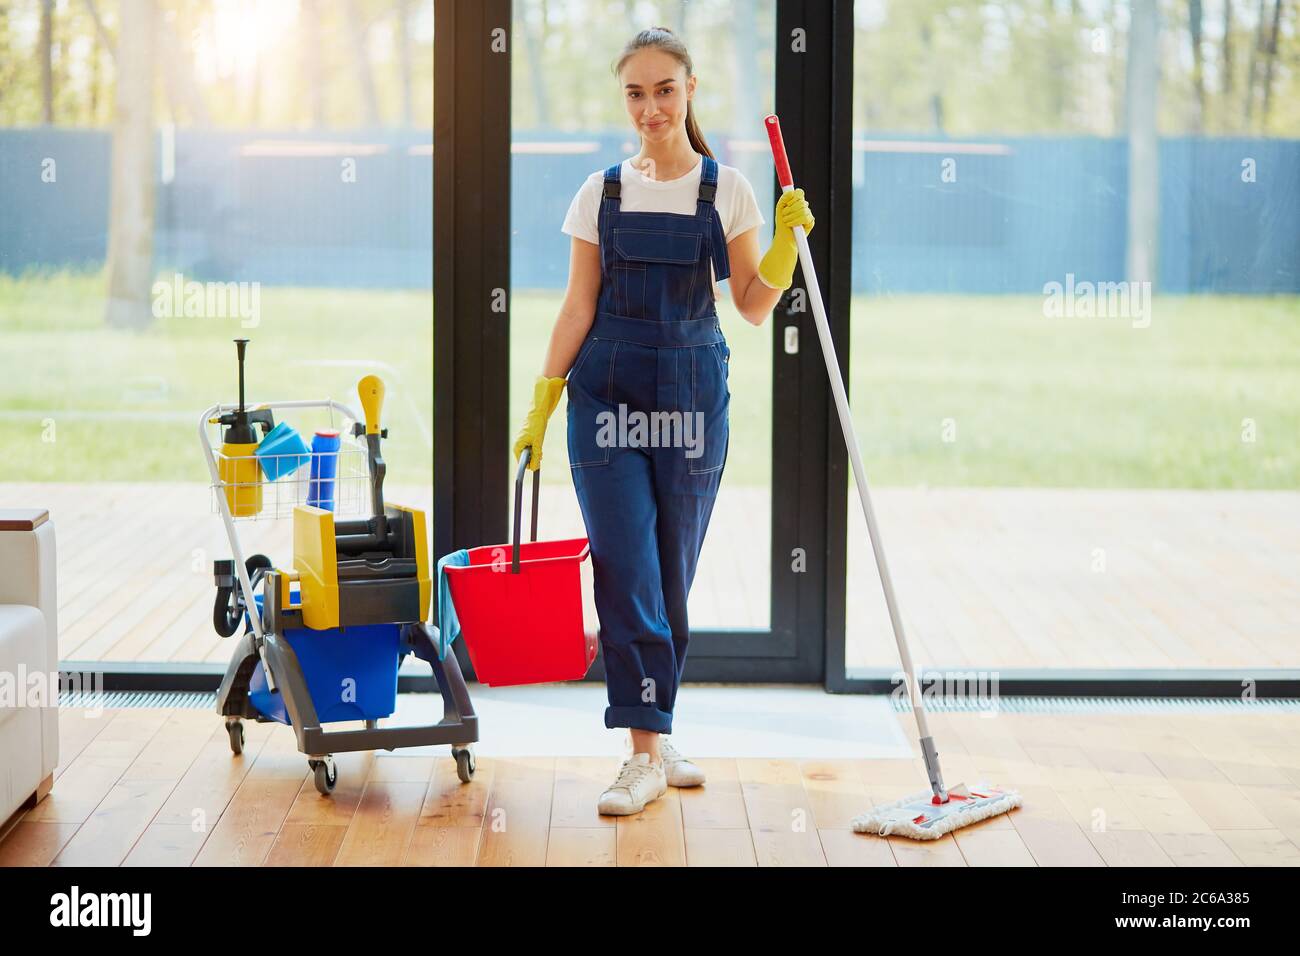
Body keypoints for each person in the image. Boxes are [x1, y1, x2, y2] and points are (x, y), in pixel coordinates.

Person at [512, 26, 814, 815]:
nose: (650, 108)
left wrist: (784, 246)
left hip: (691, 401)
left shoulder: (728, 190)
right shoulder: (601, 192)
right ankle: (641, 757)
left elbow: (750, 308)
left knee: (670, 570)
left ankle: (657, 722)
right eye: (636, 93)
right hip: (604, 396)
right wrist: (543, 401)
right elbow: (579, 306)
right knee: (627, 567)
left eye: (664, 90)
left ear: (690, 91)